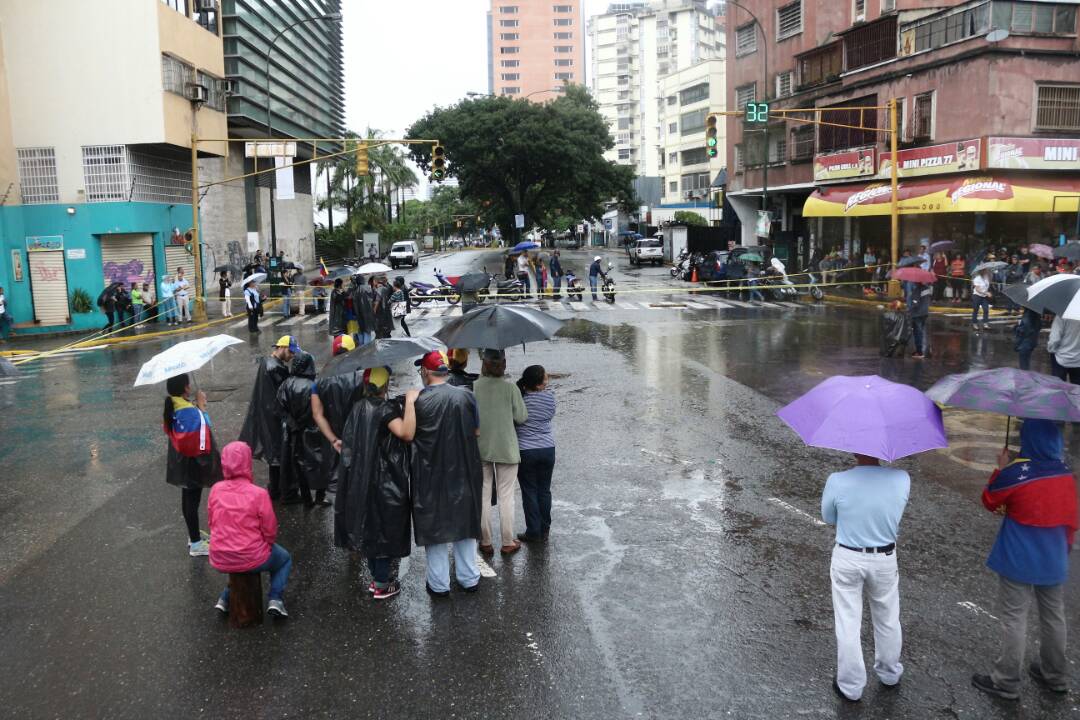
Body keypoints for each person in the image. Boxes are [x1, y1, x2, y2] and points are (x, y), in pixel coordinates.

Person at [971, 420, 1078, 700]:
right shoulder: (1065, 474)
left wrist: (1001, 467)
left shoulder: (1018, 473)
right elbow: (1071, 517)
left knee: (1014, 617)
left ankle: (1007, 680)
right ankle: (1055, 675)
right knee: (1054, 616)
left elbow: (990, 500)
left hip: (1018, 557)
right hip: (1054, 557)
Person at [313, 367, 418, 600]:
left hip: (361, 478)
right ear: (384, 386)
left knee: (371, 526)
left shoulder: (358, 407)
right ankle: (382, 583)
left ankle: (377, 578)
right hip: (383, 481)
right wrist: (410, 402)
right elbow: (406, 433)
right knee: (382, 528)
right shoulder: (385, 410)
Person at [822, 453, 910, 702]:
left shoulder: (838, 480)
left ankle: (850, 686)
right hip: (885, 558)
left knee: (848, 622)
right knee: (888, 617)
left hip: (848, 557)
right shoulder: (902, 478)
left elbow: (828, 517)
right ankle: (890, 673)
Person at [410, 350, 484, 597]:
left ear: (426, 372)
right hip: (464, 468)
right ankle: (468, 578)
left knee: (435, 527)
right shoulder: (467, 396)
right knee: (465, 524)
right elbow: (476, 432)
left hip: (430, 471)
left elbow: (410, 435)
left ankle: (439, 584)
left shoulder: (417, 400)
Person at [208, 441, 292, 618]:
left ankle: (224, 599)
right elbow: (270, 528)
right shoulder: (258, 493)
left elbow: (211, 521)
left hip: (219, 556)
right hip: (252, 556)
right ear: (247, 463)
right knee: (283, 559)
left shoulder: (215, 490)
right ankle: (275, 599)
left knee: (238, 567)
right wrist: (267, 545)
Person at [473, 348, 528, 555]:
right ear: (503, 364)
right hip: (506, 447)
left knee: (483, 494)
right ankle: (507, 541)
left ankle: (485, 541)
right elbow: (522, 417)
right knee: (506, 496)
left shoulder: (475, 387)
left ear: (484, 364)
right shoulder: (511, 388)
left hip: (481, 446)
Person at [163, 372, 222, 557]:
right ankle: (196, 543)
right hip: (191, 460)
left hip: (182, 459)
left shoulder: (175, 404)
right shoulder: (186, 410)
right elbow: (204, 428)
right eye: (188, 384)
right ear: (186, 387)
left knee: (187, 496)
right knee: (192, 499)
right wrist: (202, 407)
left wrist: (196, 406)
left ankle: (193, 534)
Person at [239, 336, 297, 500]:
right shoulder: (276, 368)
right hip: (275, 416)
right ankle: (278, 490)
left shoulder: (266, 362)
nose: (292, 355)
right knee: (278, 452)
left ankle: (275, 489)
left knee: (273, 454)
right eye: (291, 351)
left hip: (266, 413)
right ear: (283, 347)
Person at [277, 352, 330, 507]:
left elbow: (279, 408)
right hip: (314, 431)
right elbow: (321, 409)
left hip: (294, 432)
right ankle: (320, 496)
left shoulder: (286, 384)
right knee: (320, 463)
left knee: (299, 465)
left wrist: (293, 424)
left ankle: (307, 499)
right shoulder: (315, 385)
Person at [515, 365, 555, 543]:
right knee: (544, 490)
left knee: (529, 491)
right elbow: (549, 416)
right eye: (545, 379)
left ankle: (533, 530)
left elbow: (515, 419)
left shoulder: (520, 400)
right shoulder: (550, 398)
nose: (547, 381)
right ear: (539, 384)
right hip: (548, 449)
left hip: (526, 450)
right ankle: (545, 528)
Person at [1048, 315, 1080, 384]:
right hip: (1078, 360)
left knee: (1058, 387)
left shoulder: (1061, 316)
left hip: (1061, 358)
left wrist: (1051, 350)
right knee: (1077, 390)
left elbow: (1054, 340)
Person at [908, 280, 932, 359]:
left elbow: (915, 303)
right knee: (921, 331)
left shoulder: (917, 290)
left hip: (917, 314)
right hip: (924, 313)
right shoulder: (927, 289)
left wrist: (910, 310)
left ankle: (919, 352)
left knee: (917, 333)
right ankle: (921, 350)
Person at [353, 275, 376, 346]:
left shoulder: (355, 291)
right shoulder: (368, 288)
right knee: (367, 332)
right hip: (368, 315)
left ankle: (361, 348)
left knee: (360, 331)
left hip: (358, 315)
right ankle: (366, 349)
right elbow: (373, 298)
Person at [373, 275, 394, 339]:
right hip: (386, 312)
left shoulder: (378, 290)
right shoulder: (385, 288)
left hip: (380, 314)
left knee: (380, 333)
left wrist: (373, 311)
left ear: (376, 282)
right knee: (386, 332)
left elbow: (377, 301)